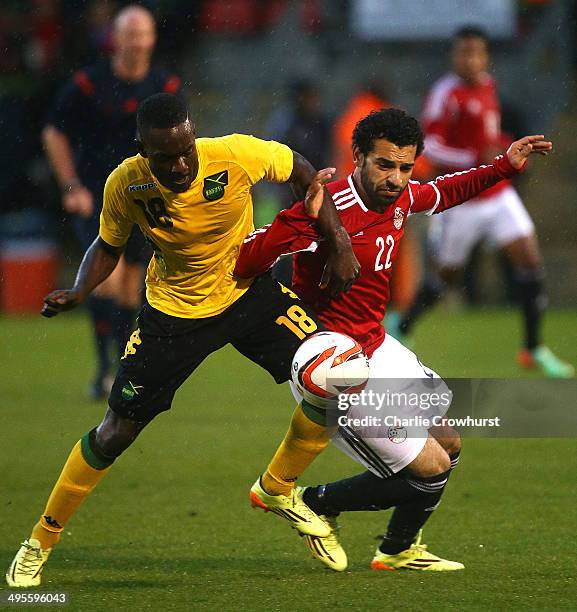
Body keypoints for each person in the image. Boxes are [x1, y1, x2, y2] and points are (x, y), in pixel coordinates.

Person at [6, 93, 360, 588]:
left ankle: (278, 487)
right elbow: (108, 244)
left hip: (247, 292)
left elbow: (303, 169)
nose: (179, 164)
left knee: (341, 376)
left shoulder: (234, 154)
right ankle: (40, 540)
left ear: (194, 135)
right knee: (115, 433)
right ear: (142, 151)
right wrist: (81, 289)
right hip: (172, 315)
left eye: (185, 150)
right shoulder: (126, 184)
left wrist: (337, 242)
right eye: (164, 157)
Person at [236, 108, 552, 571]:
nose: (396, 178)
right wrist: (296, 215)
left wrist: (504, 165)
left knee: (450, 442)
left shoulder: (400, 197)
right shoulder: (326, 209)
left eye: (405, 167)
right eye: (384, 165)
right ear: (358, 155)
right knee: (430, 470)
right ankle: (315, 500)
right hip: (338, 369)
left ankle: (397, 549)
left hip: (378, 346)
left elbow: (443, 192)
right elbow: (248, 260)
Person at [393, 27, 573, 378]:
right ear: (454, 56)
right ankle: (404, 323)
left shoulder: (488, 84)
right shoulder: (446, 93)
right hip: (462, 199)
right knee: (445, 276)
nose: (470, 60)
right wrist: (474, 155)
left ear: (485, 56)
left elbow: (490, 137)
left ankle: (533, 348)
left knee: (530, 261)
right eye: (464, 53)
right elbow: (429, 145)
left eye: (476, 53)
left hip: (498, 193)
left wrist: (508, 151)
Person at [42, 5, 183, 399]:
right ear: (116, 40)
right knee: (107, 280)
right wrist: (71, 186)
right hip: (100, 196)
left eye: (144, 34)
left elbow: (183, 138)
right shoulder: (89, 84)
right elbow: (55, 132)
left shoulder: (165, 85)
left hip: (146, 198)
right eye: (130, 34)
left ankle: (121, 369)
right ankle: (107, 369)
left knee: (130, 288)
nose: (137, 42)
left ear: (152, 40)